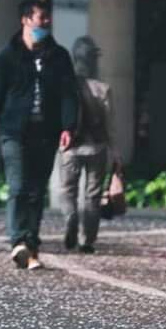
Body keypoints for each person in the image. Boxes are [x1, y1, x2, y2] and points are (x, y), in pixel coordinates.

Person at [0, 0, 78, 271]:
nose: (45, 23)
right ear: (25, 20)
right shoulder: (6, 57)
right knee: (19, 187)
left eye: (47, 18)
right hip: (14, 132)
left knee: (36, 192)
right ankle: (18, 241)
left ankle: (31, 246)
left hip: (46, 133)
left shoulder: (58, 57)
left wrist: (69, 126)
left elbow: (69, 95)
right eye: (40, 18)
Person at [59, 35, 115, 253]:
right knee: (92, 195)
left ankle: (70, 215)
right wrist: (115, 151)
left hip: (70, 147)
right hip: (97, 147)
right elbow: (110, 125)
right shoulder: (103, 88)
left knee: (67, 190)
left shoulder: (66, 85)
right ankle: (87, 240)